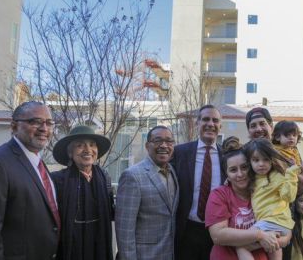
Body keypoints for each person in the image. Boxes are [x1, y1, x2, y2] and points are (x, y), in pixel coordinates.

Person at [0, 101, 59, 259]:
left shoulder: (38, 164)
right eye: (35, 122)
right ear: (14, 126)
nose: (44, 128)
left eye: (49, 123)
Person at [51, 125, 114, 260]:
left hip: (98, 241)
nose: (88, 150)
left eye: (92, 145)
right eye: (80, 145)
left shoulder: (104, 177)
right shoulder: (57, 180)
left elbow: (111, 209)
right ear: (70, 153)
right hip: (71, 244)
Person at [206, 138, 275, 260]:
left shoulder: (263, 192)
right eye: (233, 170)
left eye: (244, 167)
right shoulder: (219, 194)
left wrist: (282, 238)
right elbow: (218, 235)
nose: (240, 174)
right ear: (226, 174)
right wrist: (259, 235)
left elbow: (281, 226)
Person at [116, 125, 179, 260]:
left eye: (169, 141)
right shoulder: (132, 176)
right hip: (144, 255)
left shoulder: (173, 172)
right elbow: (125, 230)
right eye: (157, 141)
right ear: (147, 145)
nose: (164, 145)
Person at [171, 105, 225, 260]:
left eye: (215, 120)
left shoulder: (227, 156)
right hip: (186, 230)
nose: (210, 124)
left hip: (218, 231)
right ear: (197, 123)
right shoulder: (179, 152)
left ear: (220, 125)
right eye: (205, 119)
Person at [241, 138, 300, 260]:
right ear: (249, 161)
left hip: (273, 221)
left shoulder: (277, 176)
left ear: (272, 160)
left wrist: (291, 175)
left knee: (241, 245)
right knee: (273, 248)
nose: (261, 164)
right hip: (273, 223)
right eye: (256, 160)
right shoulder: (253, 178)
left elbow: (288, 197)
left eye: (265, 159)